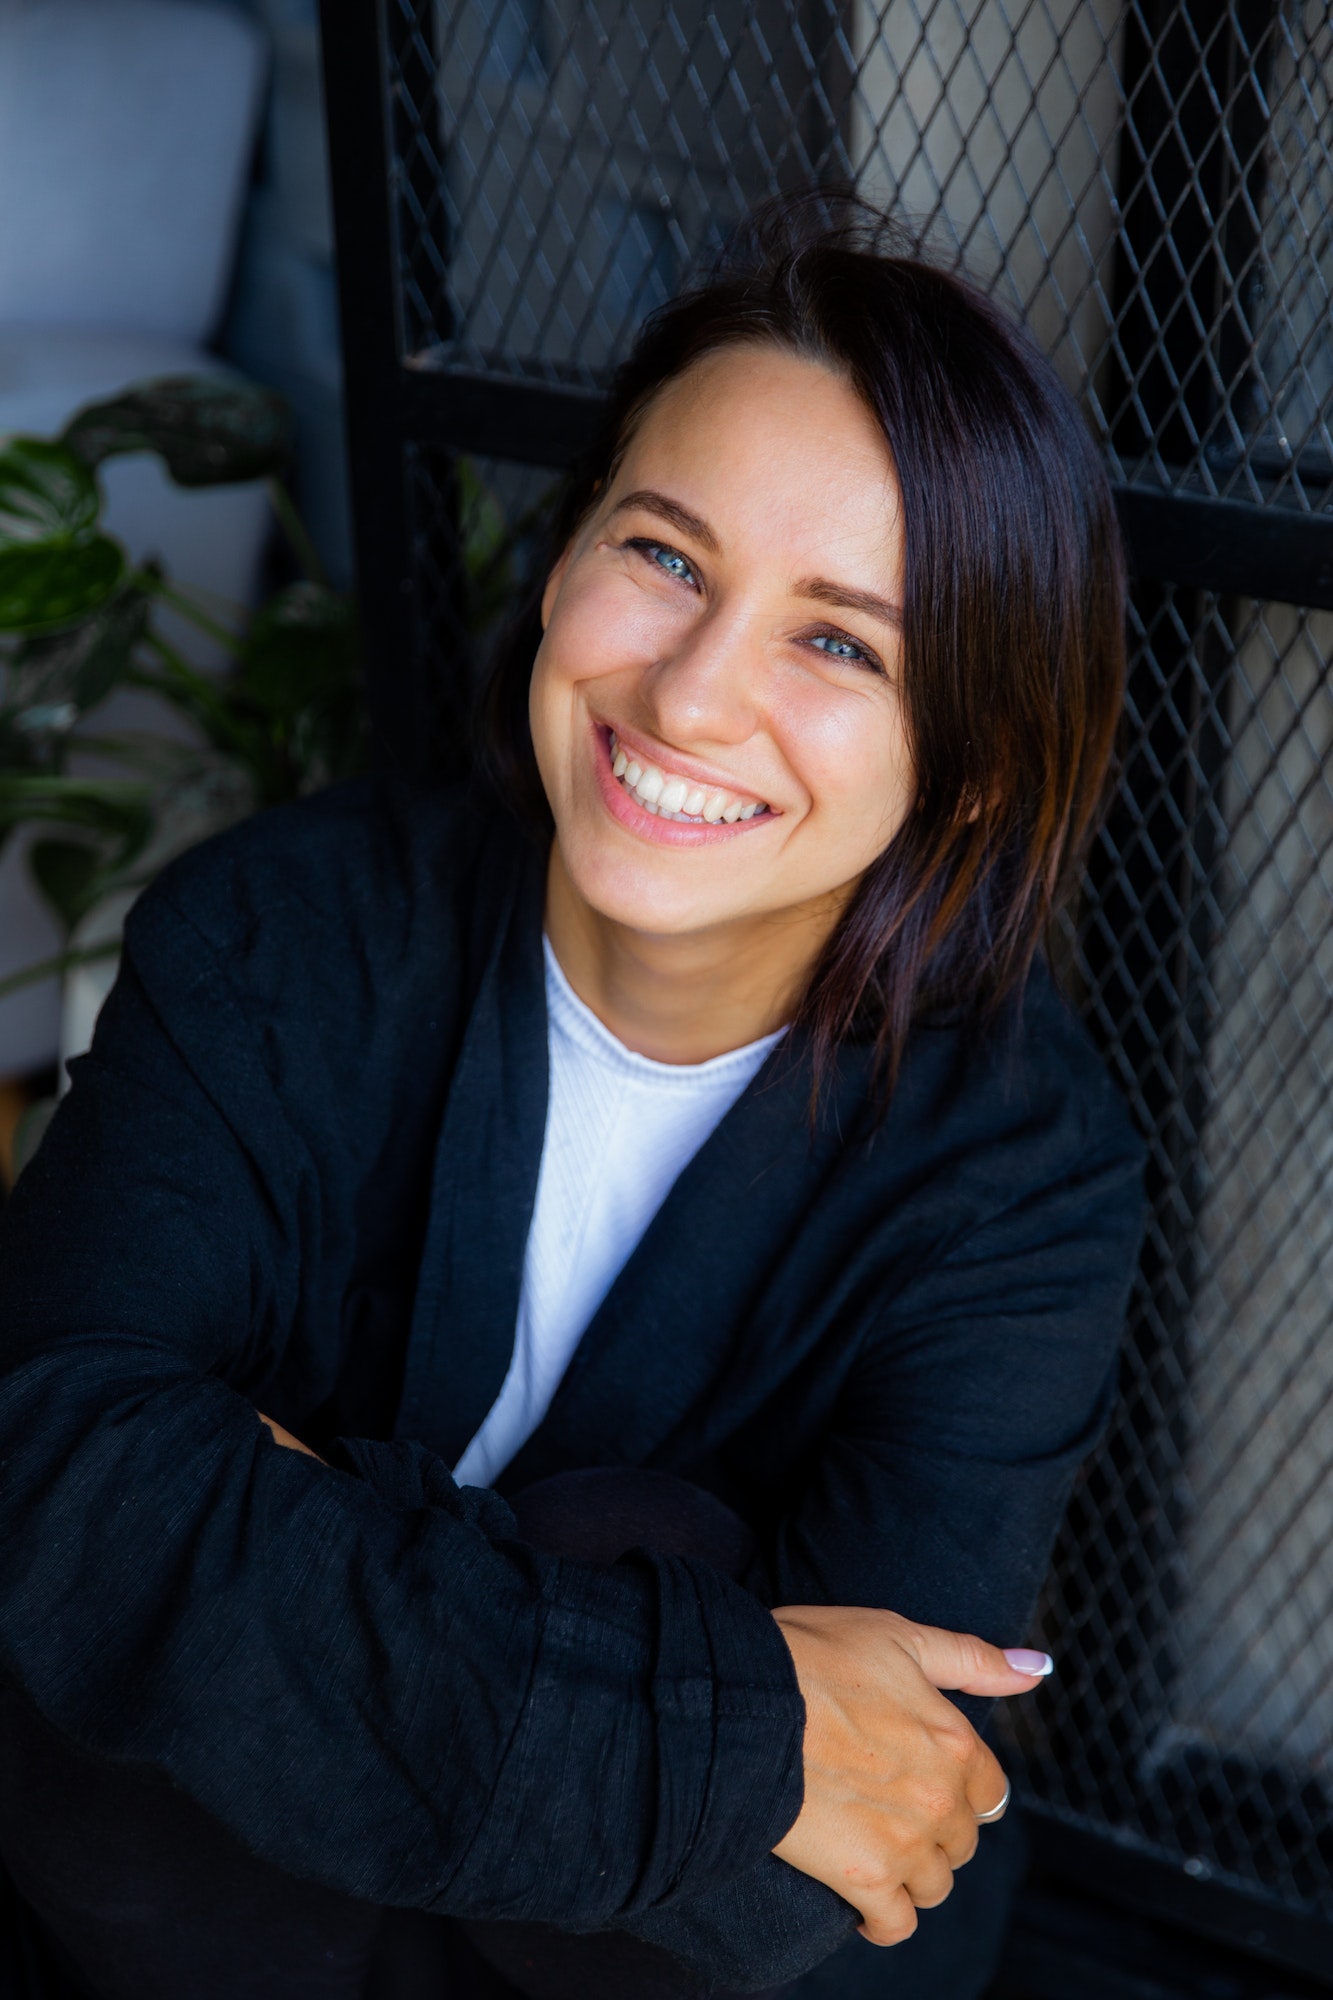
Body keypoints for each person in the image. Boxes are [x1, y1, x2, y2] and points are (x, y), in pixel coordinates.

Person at [0, 198, 1144, 2000]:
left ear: (979, 775)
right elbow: (47, 1468)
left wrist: (263, 1529)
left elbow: (831, 1866)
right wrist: (721, 1720)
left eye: (838, 643)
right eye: (666, 555)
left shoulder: (1018, 1180)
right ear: (567, 556)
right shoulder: (284, 939)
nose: (691, 693)